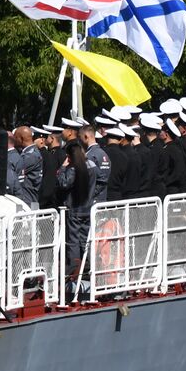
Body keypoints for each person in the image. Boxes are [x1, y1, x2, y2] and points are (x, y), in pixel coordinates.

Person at [58, 124, 111, 289]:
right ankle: (87, 268)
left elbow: (64, 184)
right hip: (89, 208)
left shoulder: (74, 168)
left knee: (73, 242)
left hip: (75, 209)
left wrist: (62, 168)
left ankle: (74, 273)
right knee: (85, 241)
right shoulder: (92, 166)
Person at [8, 126, 42, 208]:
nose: (14, 140)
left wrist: (10, 149)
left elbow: (15, 167)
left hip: (29, 200)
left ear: (21, 138)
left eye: (15, 137)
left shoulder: (31, 155)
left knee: (28, 220)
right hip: (27, 199)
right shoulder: (29, 153)